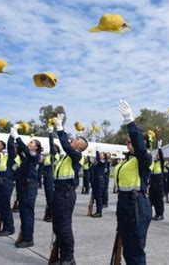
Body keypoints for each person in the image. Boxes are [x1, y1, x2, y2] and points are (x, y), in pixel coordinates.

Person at [114, 100, 152, 264]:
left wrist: (130, 122)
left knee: (135, 251)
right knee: (126, 251)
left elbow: (140, 147)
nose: (128, 141)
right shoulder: (126, 160)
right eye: (127, 140)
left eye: (132, 140)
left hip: (137, 205)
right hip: (124, 204)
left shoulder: (144, 158)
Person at [51, 113, 88, 264]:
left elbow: (65, 145)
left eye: (76, 140)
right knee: (57, 226)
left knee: (65, 227)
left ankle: (69, 258)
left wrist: (60, 128)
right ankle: (61, 255)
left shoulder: (77, 155)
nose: (73, 140)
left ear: (80, 146)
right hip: (58, 192)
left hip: (66, 194)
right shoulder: (67, 156)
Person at [9, 125, 43, 248]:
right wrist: (12, 136)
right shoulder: (28, 156)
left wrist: (17, 137)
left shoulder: (35, 155)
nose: (30, 142)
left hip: (29, 187)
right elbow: (20, 150)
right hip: (23, 186)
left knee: (27, 212)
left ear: (37, 147)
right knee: (23, 213)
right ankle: (25, 235)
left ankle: (28, 239)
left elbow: (25, 150)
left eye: (33, 142)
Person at [42, 129, 61, 223]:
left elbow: (51, 144)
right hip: (46, 177)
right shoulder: (48, 156)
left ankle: (52, 214)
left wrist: (50, 135)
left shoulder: (55, 155)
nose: (52, 148)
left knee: (50, 197)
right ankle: (49, 213)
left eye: (54, 147)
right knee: (47, 197)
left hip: (51, 178)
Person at [150, 140, 165, 220]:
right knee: (153, 199)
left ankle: (160, 214)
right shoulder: (154, 163)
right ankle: (155, 213)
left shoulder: (161, 163)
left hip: (159, 183)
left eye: (158, 155)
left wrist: (159, 148)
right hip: (153, 182)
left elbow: (161, 156)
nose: (157, 156)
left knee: (159, 200)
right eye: (156, 155)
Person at [91, 147, 106, 218]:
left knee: (98, 197)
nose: (100, 155)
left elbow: (98, 159)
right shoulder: (98, 163)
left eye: (102, 154)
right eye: (100, 154)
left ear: (104, 157)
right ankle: (97, 211)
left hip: (100, 181)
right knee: (96, 197)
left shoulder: (103, 161)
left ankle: (99, 212)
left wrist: (97, 151)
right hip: (96, 180)